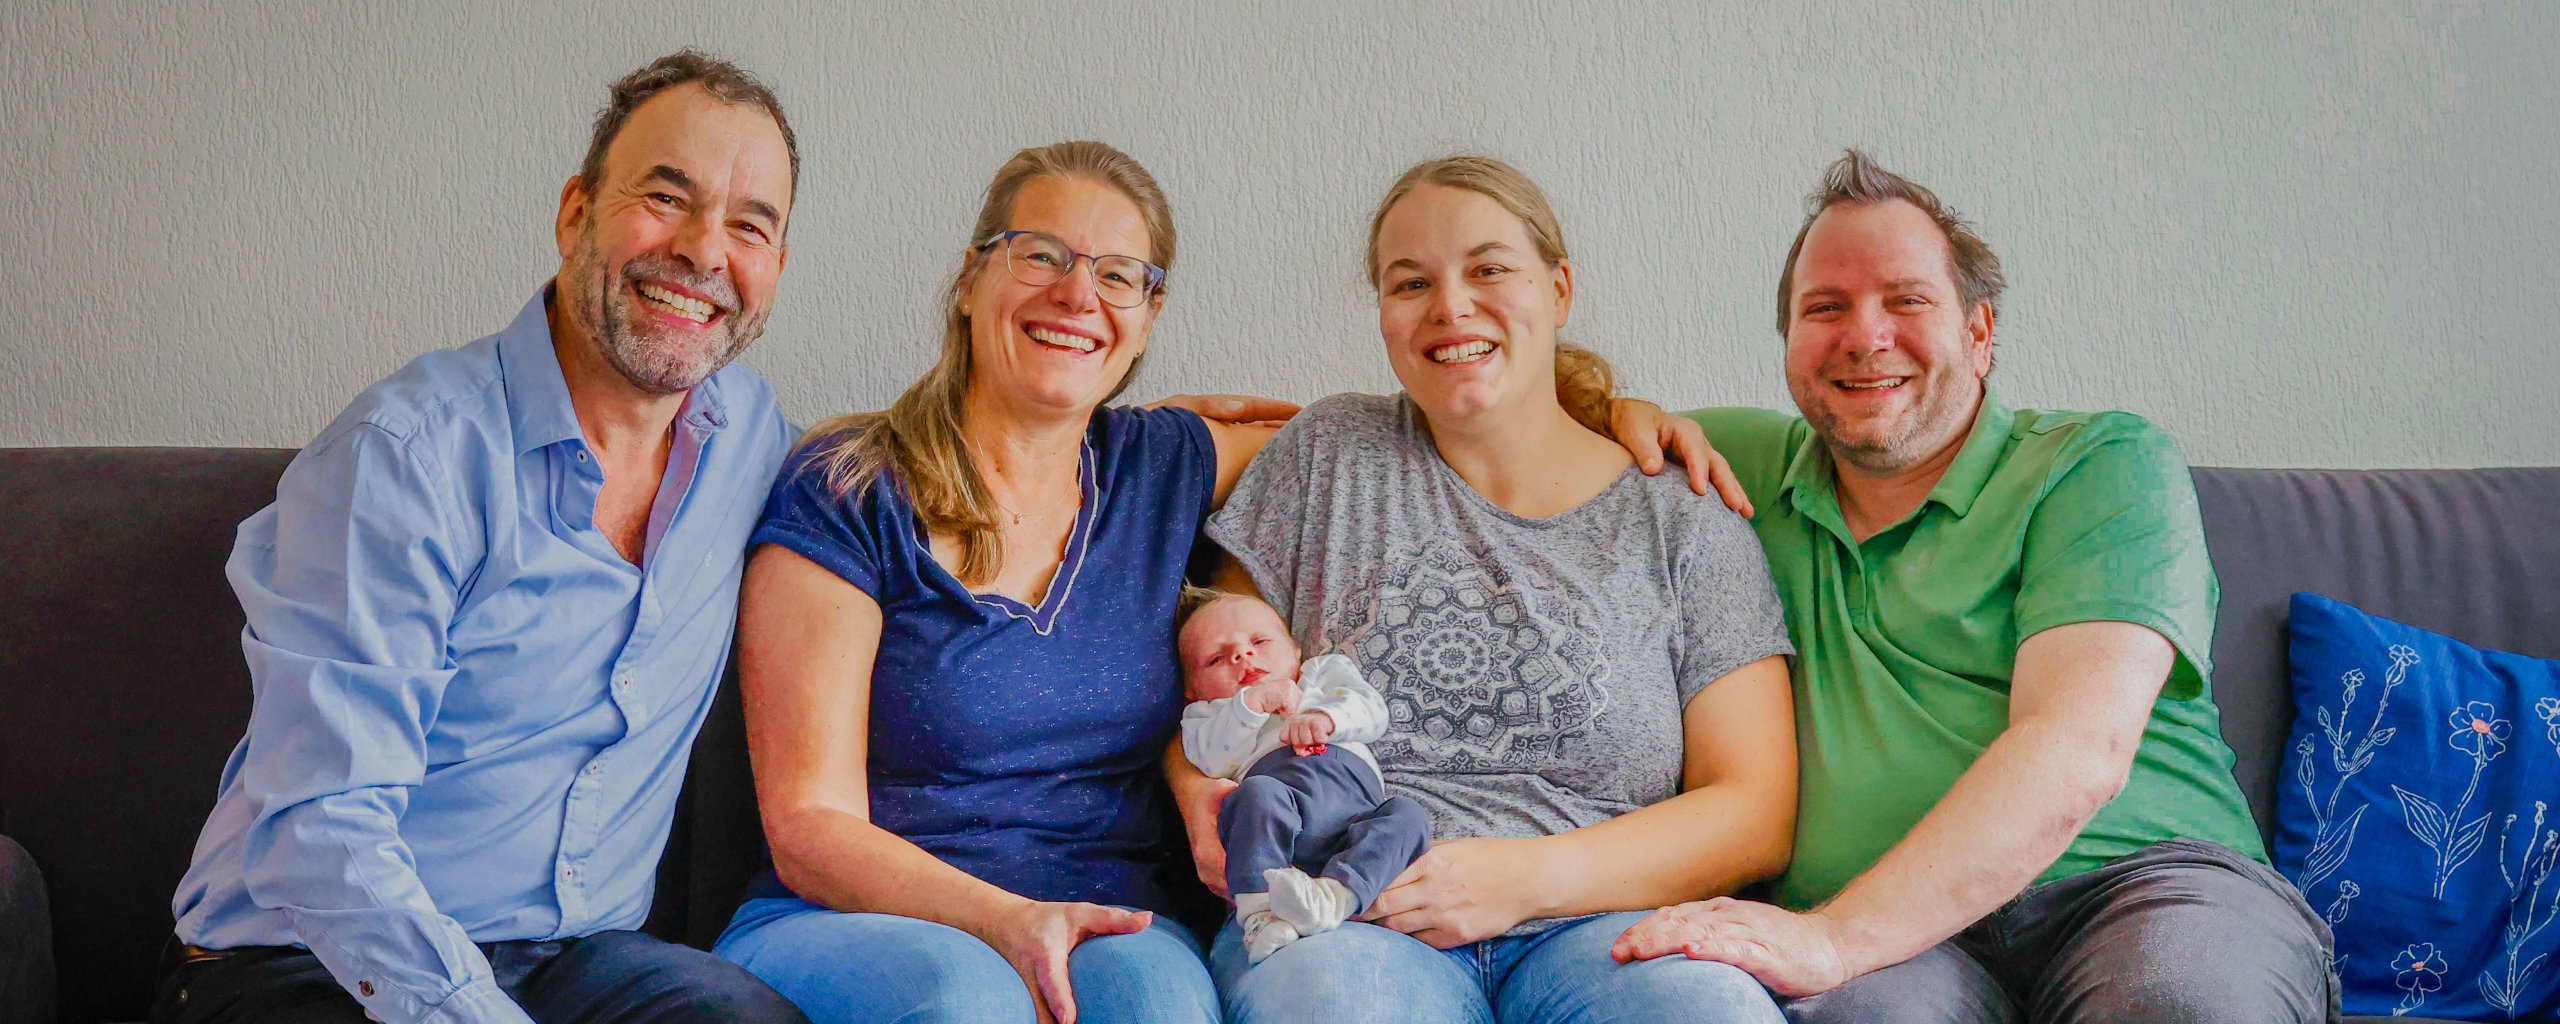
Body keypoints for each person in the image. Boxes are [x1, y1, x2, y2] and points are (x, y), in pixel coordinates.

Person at [708, 141, 1739, 1024]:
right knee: (965, 1002)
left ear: (1148, 316)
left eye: (1120, 275)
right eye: (1041, 256)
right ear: (972, 277)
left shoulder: (1157, 468)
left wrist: (1608, 412)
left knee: (1166, 1007)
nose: (1078, 295)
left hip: (1116, 916)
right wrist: (1005, 920)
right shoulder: (849, 484)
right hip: (876, 913)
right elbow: (808, 827)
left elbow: (1459, 411)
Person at [156, 52, 811, 1024]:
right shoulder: (406, 455)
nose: (704, 251)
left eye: (749, 225)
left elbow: (936, 488)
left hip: (579, 959)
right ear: (575, 214)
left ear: (775, 270)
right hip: (309, 959)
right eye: (665, 198)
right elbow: (322, 827)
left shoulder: (755, 446)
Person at [1612, 149, 2334, 1023]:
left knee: (2181, 1006)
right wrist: (1613, 410)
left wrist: (1835, 939)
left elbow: (2075, 748)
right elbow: (1522, 419)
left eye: (1907, 300)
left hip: (2139, 887)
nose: (1864, 336)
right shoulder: (1733, 471)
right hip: (1890, 935)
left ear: (1980, 333)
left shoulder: (2100, 463)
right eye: (1825, 308)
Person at [1189, 155, 1800, 1024]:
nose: (1450, 307)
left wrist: (1526, 879)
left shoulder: (1683, 518)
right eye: (1411, 283)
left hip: (1604, 927)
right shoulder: (1327, 456)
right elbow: (1207, 679)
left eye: (1488, 269)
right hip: (1343, 919)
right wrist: (1196, 797)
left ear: (1559, 290)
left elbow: (1756, 811)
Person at [1175, 587, 1431, 962]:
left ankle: (1334, 898)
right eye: (1216, 659)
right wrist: (1250, 706)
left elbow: (1371, 710)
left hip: (1355, 818)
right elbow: (1211, 760)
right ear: (1192, 689)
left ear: (1296, 651)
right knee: (1257, 794)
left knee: (1408, 815)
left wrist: (1326, 718)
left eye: (1260, 641)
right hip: (1279, 829)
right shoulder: (1206, 715)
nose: (1242, 655)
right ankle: (1261, 914)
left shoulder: (1322, 676)